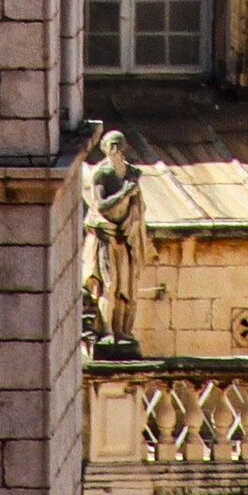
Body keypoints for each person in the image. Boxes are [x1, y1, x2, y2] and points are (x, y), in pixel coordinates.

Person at [80, 127, 146, 351]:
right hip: (105, 236)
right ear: (104, 149)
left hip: (124, 236)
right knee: (109, 286)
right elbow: (100, 204)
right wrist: (126, 192)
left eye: (119, 144)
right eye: (111, 145)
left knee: (125, 288)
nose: (115, 149)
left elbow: (138, 205)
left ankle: (122, 331)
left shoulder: (131, 172)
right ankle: (106, 331)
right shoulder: (102, 173)